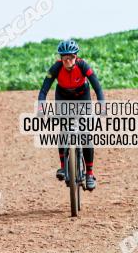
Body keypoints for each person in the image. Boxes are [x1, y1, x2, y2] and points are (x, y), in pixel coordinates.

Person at [37, 39, 105, 191]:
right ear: (60, 58)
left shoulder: (83, 66)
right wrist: (41, 108)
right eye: (64, 58)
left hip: (82, 97)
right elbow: (43, 90)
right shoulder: (55, 68)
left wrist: (102, 106)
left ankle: (89, 174)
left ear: (76, 57)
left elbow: (97, 87)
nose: (68, 61)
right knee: (63, 131)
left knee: (86, 135)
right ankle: (62, 167)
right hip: (63, 97)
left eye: (71, 58)